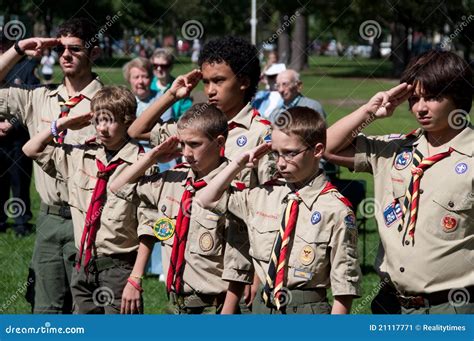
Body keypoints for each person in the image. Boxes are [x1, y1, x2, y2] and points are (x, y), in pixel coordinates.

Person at [325, 50, 473, 314]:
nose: (420, 108)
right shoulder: (394, 150)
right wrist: (369, 112)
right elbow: (326, 148)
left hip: (452, 307)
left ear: (459, 98)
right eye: (414, 99)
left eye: (433, 97)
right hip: (391, 304)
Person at [197, 106, 362, 314]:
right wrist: (238, 163)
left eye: (290, 153)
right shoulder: (263, 196)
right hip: (261, 308)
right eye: (276, 153)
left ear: (318, 150)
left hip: (306, 310)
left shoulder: (336, 210)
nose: (281, 163)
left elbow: (344, 288)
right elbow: (206, 198)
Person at [0, 17, 103, 313]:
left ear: (94, 53)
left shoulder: (109, 102)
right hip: (47, 220)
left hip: (89, 219)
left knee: (86, 312)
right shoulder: (38, 98)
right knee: (45, 311)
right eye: (61, 49)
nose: (66, 56)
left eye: (75, 49)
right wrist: (19, 48)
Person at [110, 104, 253, 314]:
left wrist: (227, 313)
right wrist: (153, 156)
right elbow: (117, 188)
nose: (186, 153)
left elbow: (238, 262)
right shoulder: (173, 181)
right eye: (182, 144)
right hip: (175, 304)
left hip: (212, 307)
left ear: (219, 142)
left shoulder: (232, 191)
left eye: (194, 144)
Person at [23, 86, 144, 314]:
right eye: (97, 120)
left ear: (128, 121)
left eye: (110, 121)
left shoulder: (141, 164)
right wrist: (62, 124)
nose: (102, 128)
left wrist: (136, 278)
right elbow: (30, 149)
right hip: (83, 266)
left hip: (119, 269)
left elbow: (149, 227)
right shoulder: (80, 156)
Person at [150, 48, 192, 121]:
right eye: (155, 65)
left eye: (163, 66)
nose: (159, 69)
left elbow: (187, 114)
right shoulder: (147, 85)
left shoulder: (181, 86)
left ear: (170, 67)